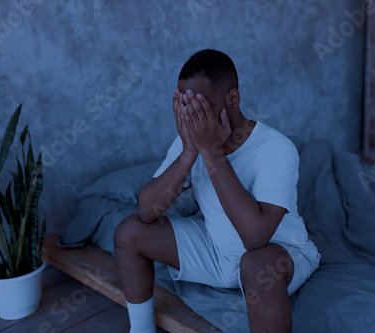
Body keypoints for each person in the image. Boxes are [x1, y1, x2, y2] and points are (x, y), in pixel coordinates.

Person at [114, 49, 320, 333]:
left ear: (232, 100)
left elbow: (255, 237)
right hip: (216, 251)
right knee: (129, 232)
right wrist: (189, 152)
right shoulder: (191, 139)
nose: (192, 116)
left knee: (257, 265)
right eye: (185, 106)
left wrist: (211, 152)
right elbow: (147, 211)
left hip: (278, 253)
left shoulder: (276, 148)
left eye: (199, 106)